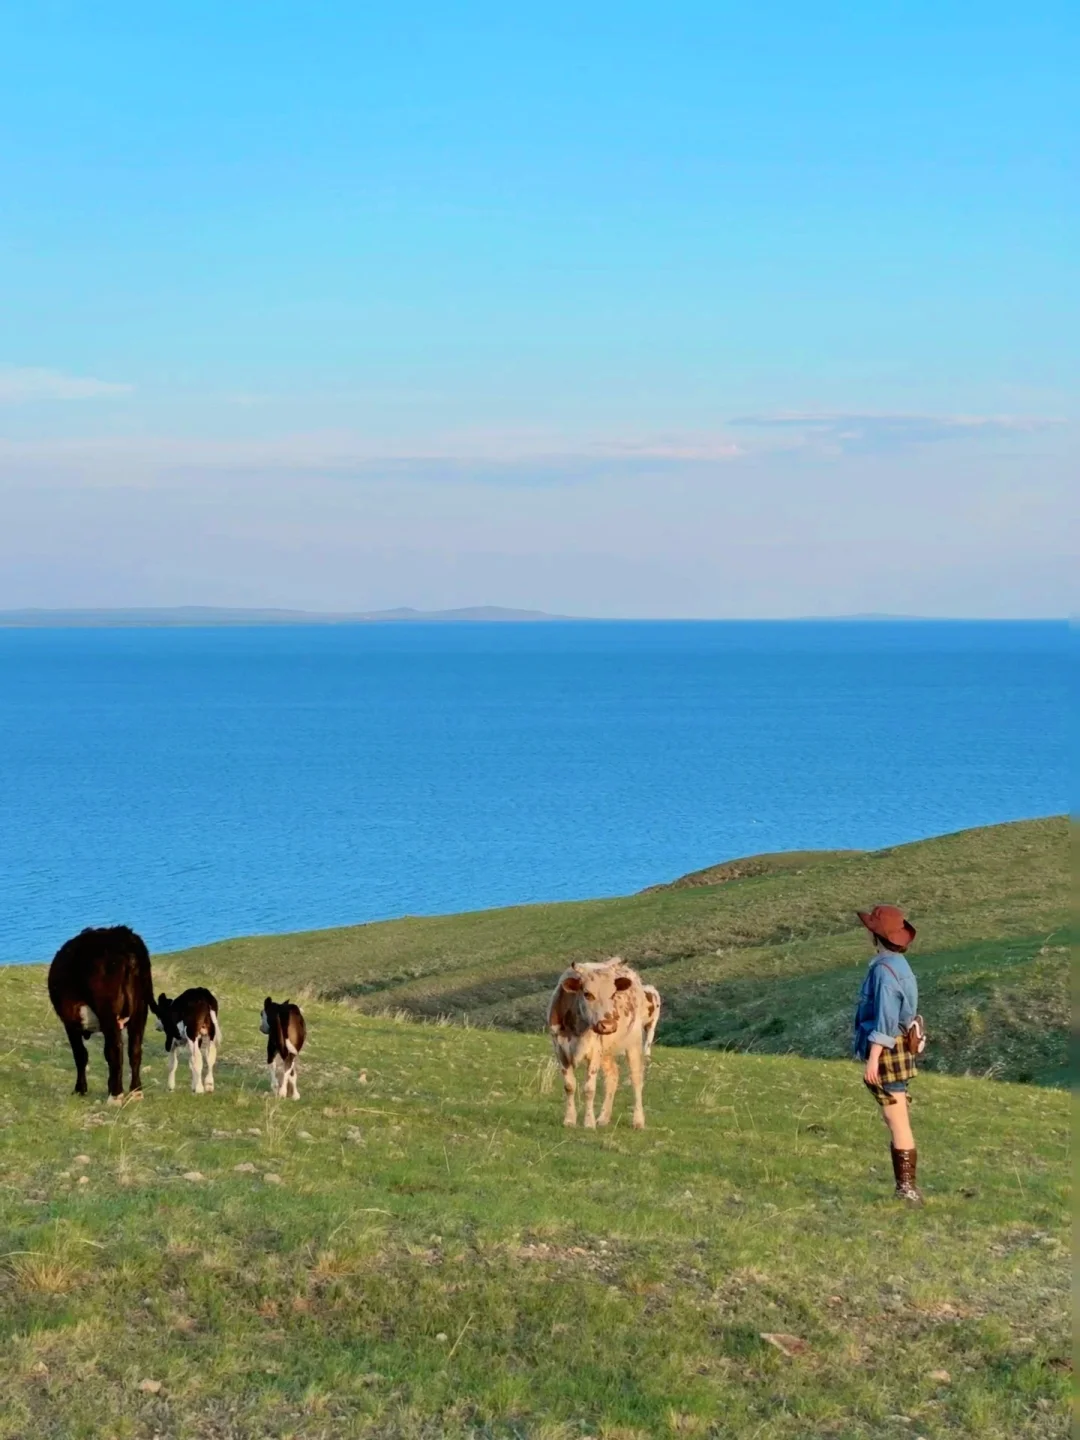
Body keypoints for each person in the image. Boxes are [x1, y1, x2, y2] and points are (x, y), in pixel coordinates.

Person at [852, 904, 922, 1203]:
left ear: (875, 937)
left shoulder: (883, 970)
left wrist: (873, 1058)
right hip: (898, 1045)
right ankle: (905, 1188)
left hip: (888, 1049)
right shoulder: (901, 966)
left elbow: (885, 1016)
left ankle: (906, 1189)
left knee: (896, 1120)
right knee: (896, 1114)